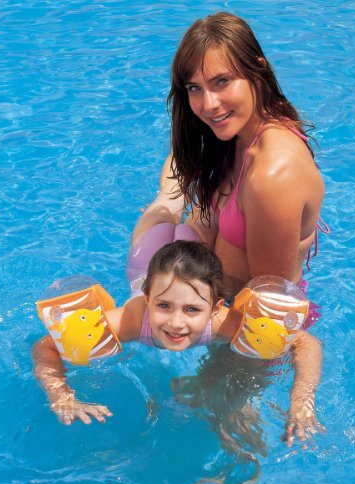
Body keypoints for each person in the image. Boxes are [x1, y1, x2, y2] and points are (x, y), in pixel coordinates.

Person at [33, 236, 324, 447]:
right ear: (148, 299)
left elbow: (306, 343)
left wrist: (301, 402)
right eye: (163, 306)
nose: (176, 323)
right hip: (144, 266)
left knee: (192, 233)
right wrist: (61, 397)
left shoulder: (222, 322)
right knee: (160, 220)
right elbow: (46, 346)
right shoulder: (132, 320)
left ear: (216, 308)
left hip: (176, 272)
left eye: (192, 310)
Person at [133, 11, 329, 298]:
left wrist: (175, 312)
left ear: (258, 71)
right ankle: (172, 199)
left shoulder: (274, 175)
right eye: (195, 88)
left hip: (236, 319)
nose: (209, 104)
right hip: (205, 292)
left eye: (222, 81)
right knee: (162, 219)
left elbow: (267, 305)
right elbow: (183, 152)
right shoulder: (237, 129)